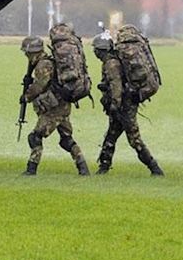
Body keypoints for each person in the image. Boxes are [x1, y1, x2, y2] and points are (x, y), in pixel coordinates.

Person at [93, 32, 163, 176]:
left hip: (124, 106)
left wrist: (114, 104)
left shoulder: (111, 64)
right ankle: (103, 167)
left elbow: (116, 86)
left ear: (100, 50)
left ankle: (154, 168)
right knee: (111, 135)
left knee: (134, 139)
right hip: (125, 104)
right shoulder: (113, 61)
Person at [20, 36, 89, 176]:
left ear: (32, 52)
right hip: (61, 106)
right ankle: (83, 168)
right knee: (66, 140)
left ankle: (31, 168)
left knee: (35, 137)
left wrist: (26, 96)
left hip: (55, 109)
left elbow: (40, 85)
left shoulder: (42, 65)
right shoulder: (49, 62)